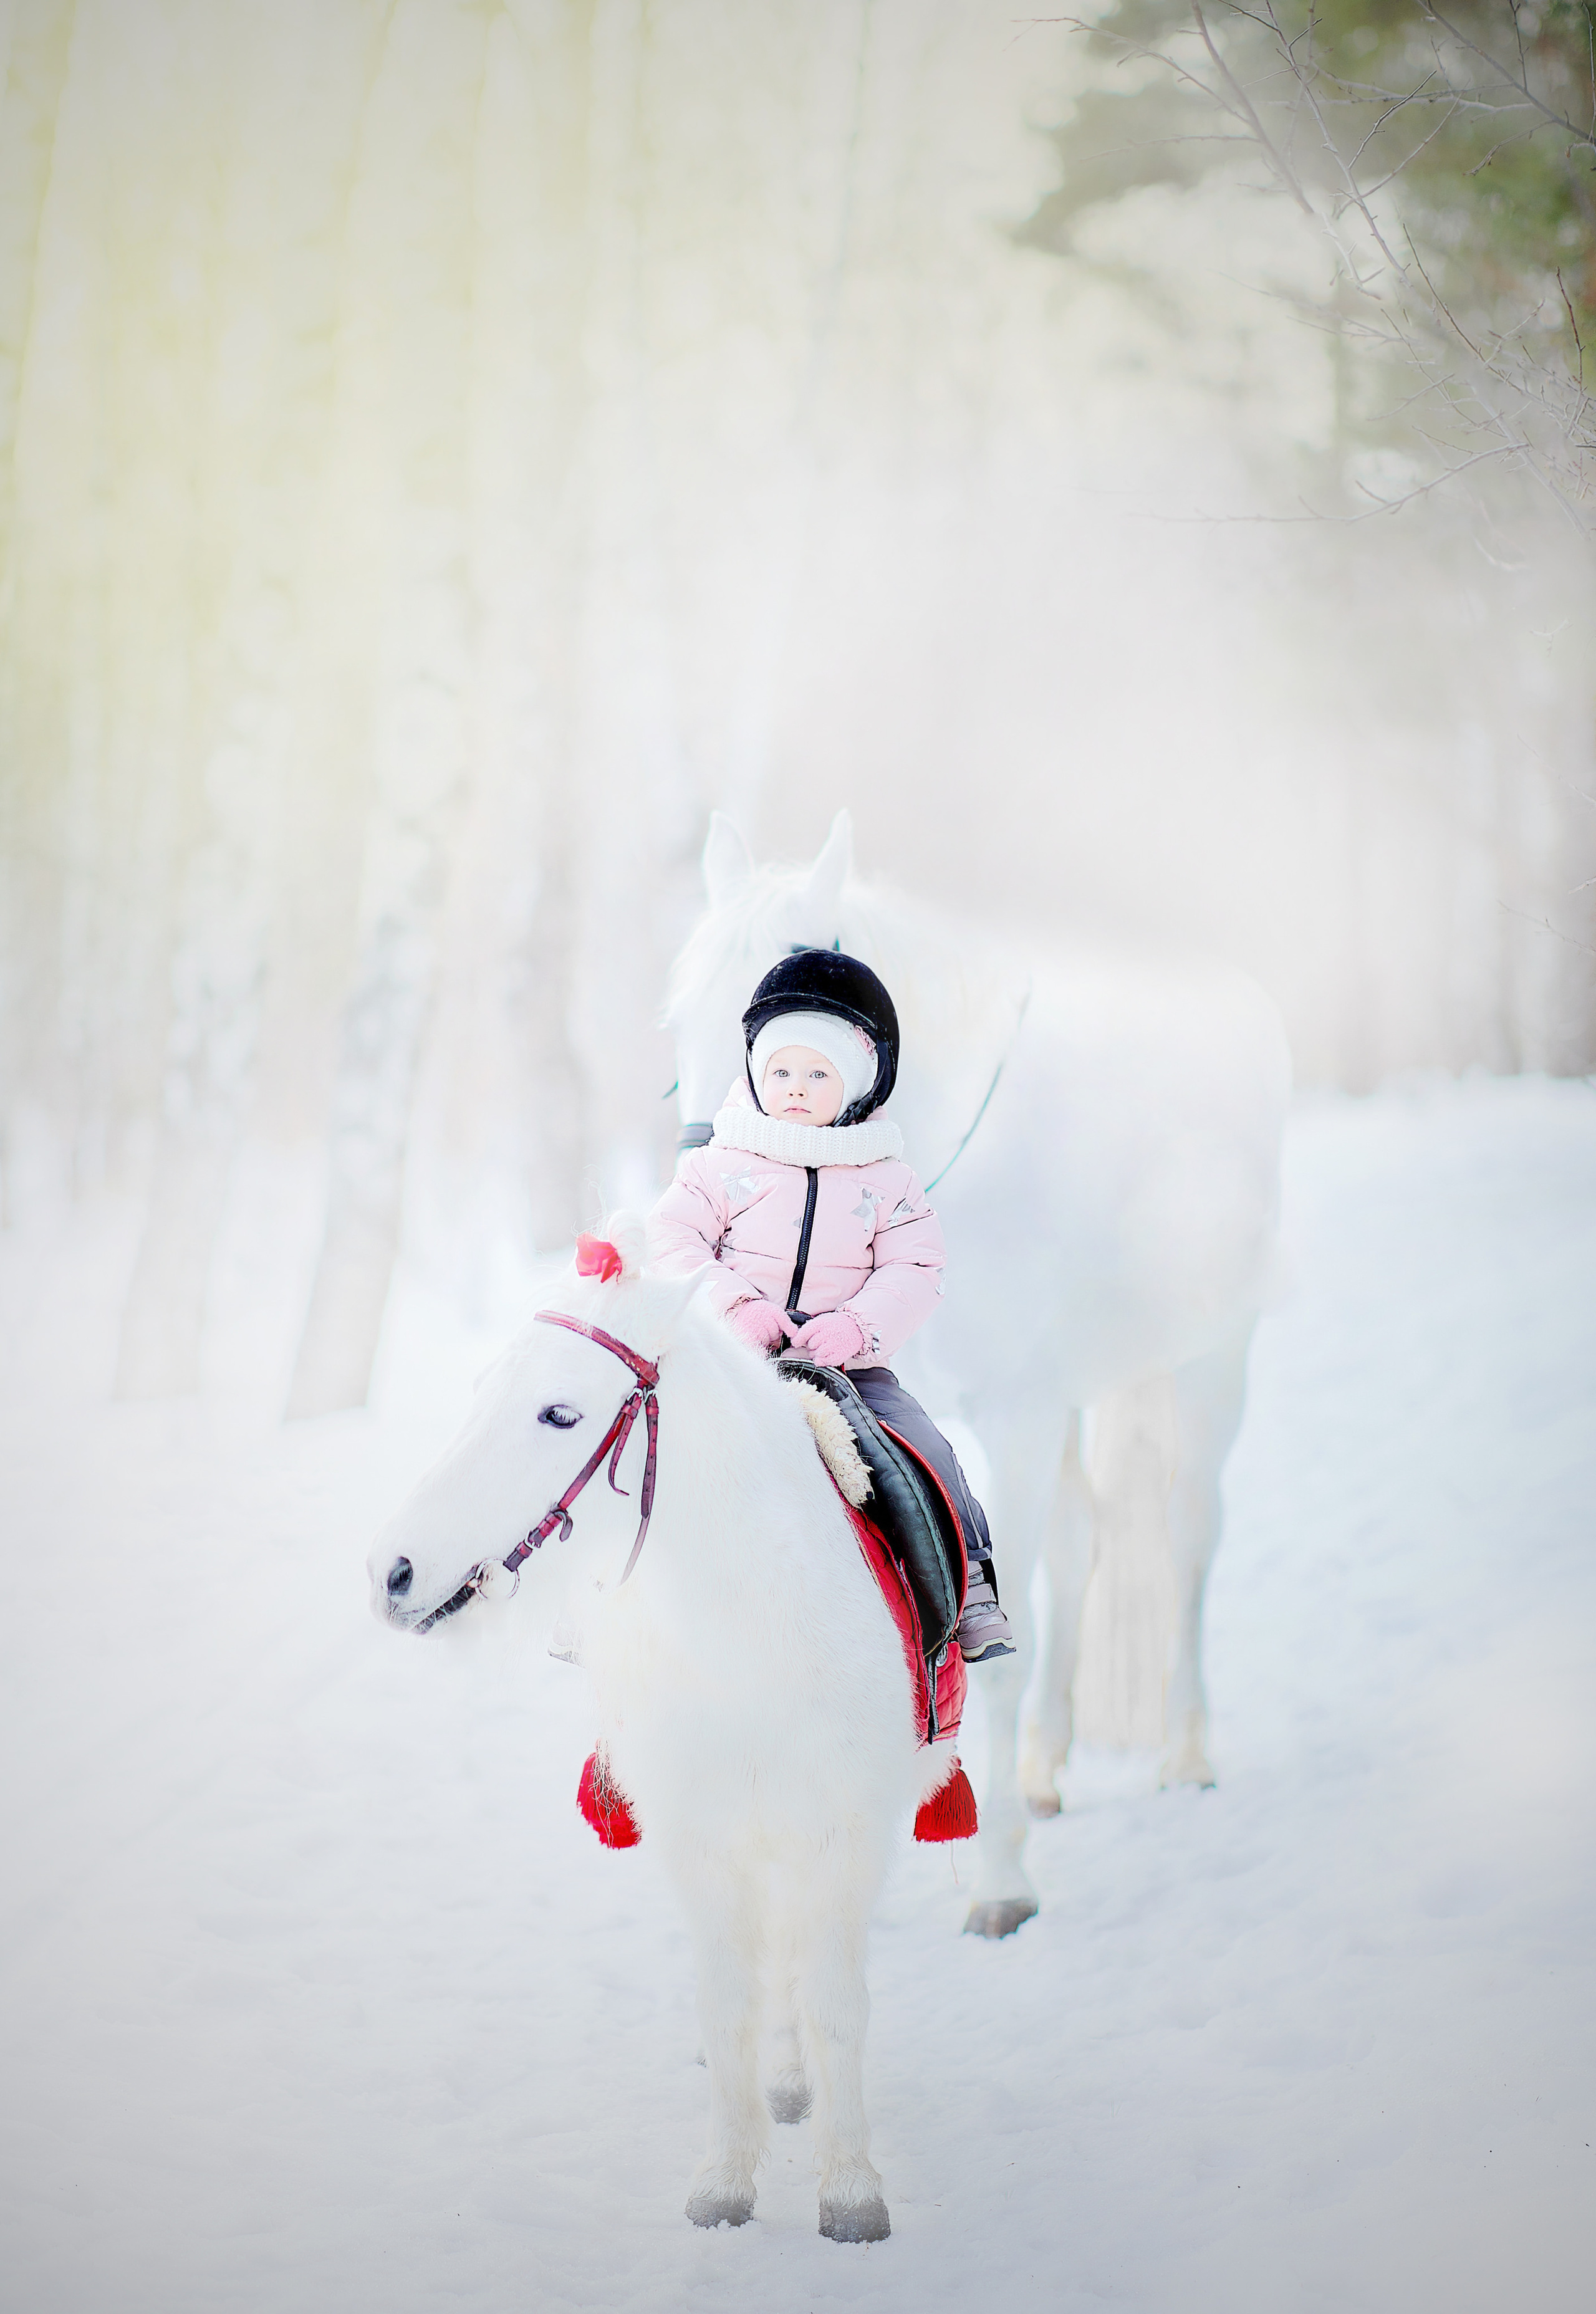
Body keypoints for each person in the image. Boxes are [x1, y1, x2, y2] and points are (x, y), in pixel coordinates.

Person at [648, 947, 1015, 1663]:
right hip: (726, 1359)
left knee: (925, 1448)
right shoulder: (719, 1163)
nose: (794, 1088)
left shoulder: (886, 1177)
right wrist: (735, 1312)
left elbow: (917, 1266)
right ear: (755, 1074)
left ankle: (965, 1581)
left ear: (854, 1085)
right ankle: (602, 1594)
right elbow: (672, 1240)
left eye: (817, 1074)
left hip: (849, 1369)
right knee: (642, 1435)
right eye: (780, 1070)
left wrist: (858, 1327)